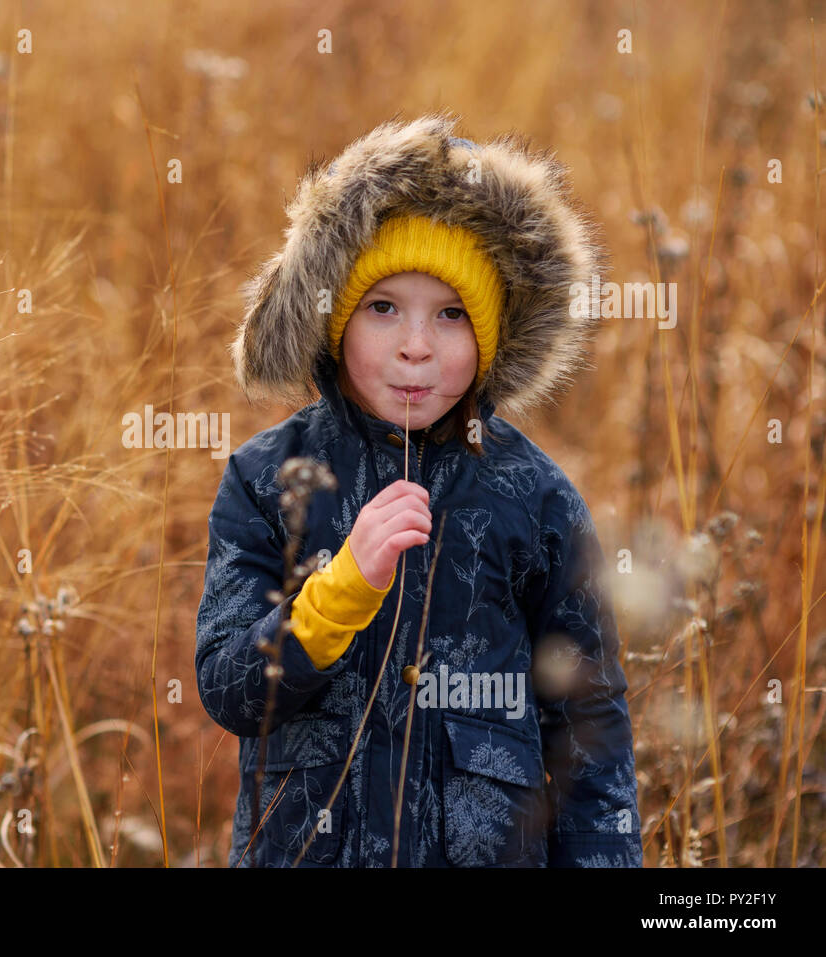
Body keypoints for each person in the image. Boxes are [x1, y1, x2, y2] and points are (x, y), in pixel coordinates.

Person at [194, 111, 642, 867]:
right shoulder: (266, 480)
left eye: (451, 314)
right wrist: (337, 593)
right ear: (335, 320)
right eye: (382, 308)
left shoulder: (532, 496)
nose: (415, 345)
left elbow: (588, 719)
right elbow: (231, 691)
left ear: (491, 335)